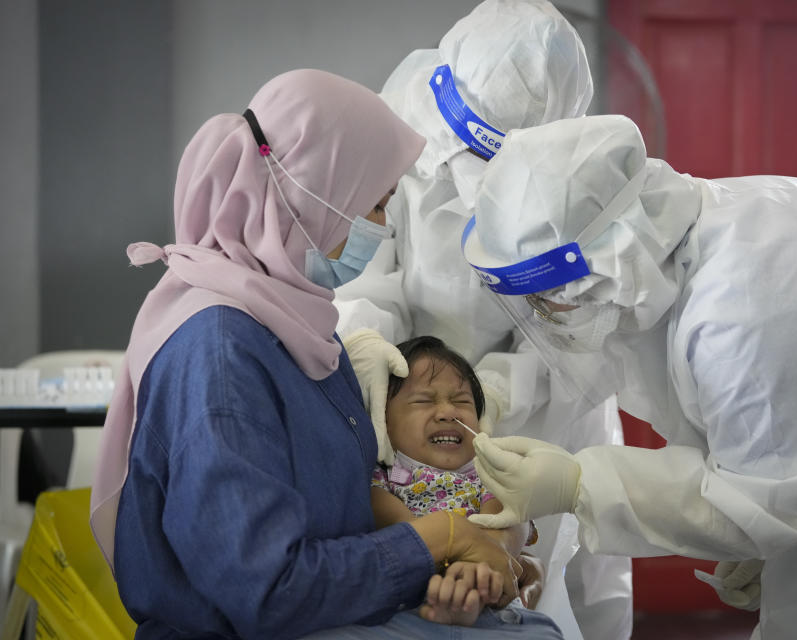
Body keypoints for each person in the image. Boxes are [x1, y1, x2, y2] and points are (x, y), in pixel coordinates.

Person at [87, 69, 571, 640]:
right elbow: (266, 592)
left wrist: (472, 571)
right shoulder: (219, 356)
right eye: (373, 207)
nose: (383, 229)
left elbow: (339, 516)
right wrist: (438, 539)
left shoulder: (285, 321)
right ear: (309, 199)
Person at [460, 113, 797, 639]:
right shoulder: (690, 231)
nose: (542, 313)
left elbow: (754, 502)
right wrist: (495, 385)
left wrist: (583, 486)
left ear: (597, 275)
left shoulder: (735, 314)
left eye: (544, 299)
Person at [333, 2, 633, 637]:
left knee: (562, 559)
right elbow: (366, 250)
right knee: (410, 560)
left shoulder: (581, 188)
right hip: (404, 401)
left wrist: (500, 390)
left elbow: (583, 324)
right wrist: (362, 335)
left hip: (541, 398)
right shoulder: (401, 128)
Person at [370, 335, 549, 628]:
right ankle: (451, 606)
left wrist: (482, 561)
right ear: (382, 422)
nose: (448, 412)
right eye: (423, 400)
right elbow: (403, 531)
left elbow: (505, 519)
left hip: (486, 583)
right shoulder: (381, 477)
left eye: (462, 401)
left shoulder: (488, 473)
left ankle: (468, 605)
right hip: (412, 589)